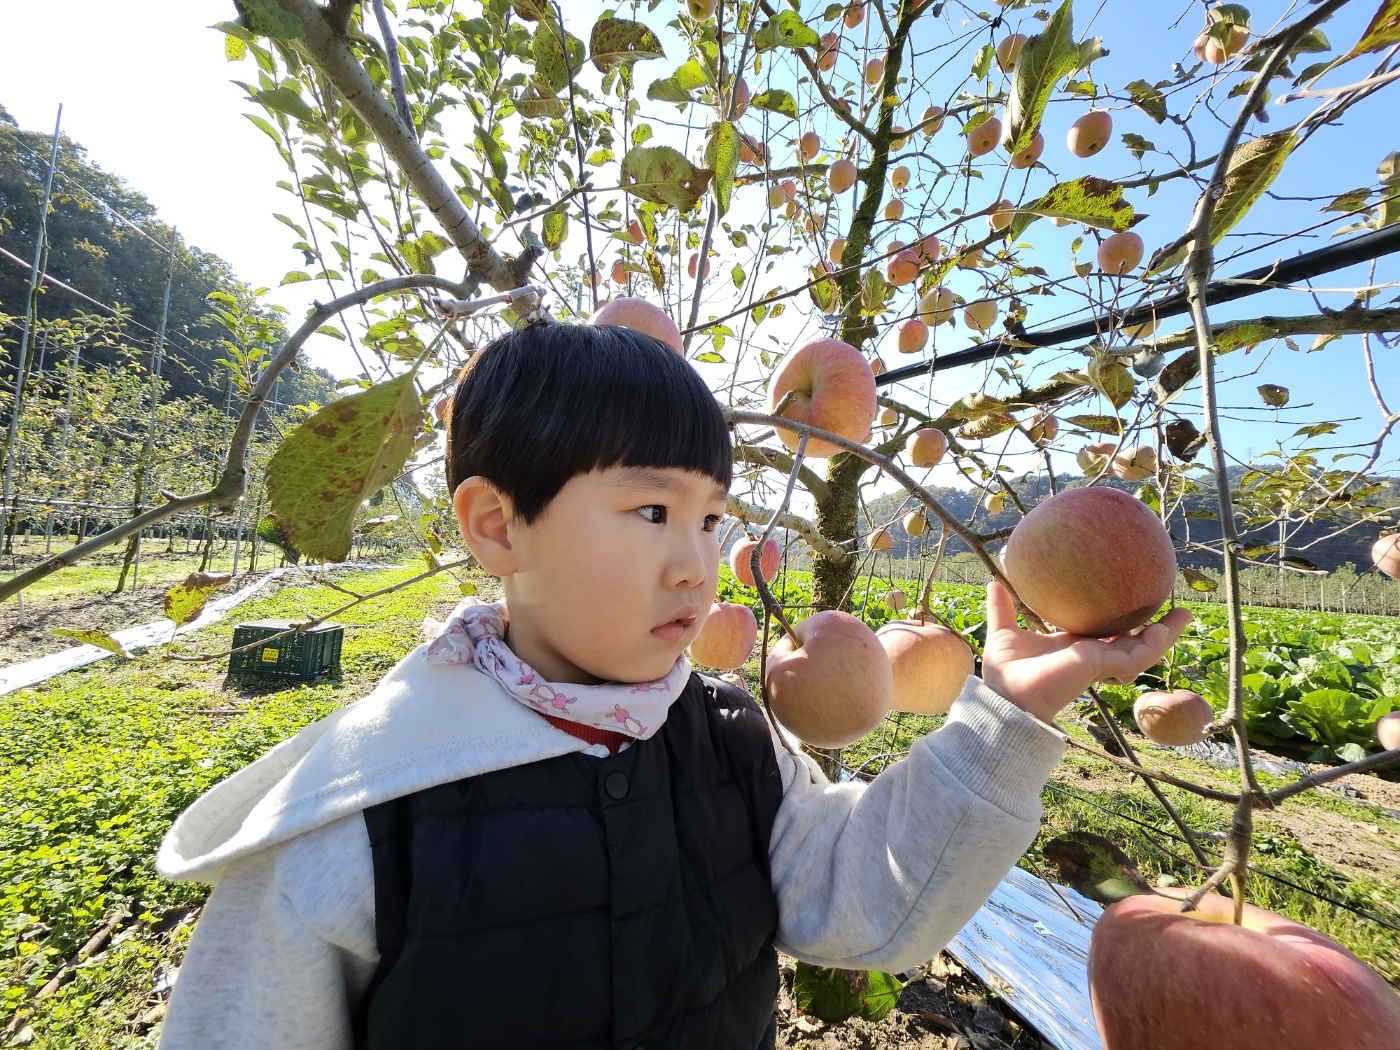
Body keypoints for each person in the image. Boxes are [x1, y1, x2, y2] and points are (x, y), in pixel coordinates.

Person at [154, 321, 1191, 1050]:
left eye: (708, 518)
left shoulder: (734, 739)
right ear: (495, 526)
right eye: (652, 512)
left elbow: (861, 910)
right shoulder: (352, 818)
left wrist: (1006, 714)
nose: (698, 563)